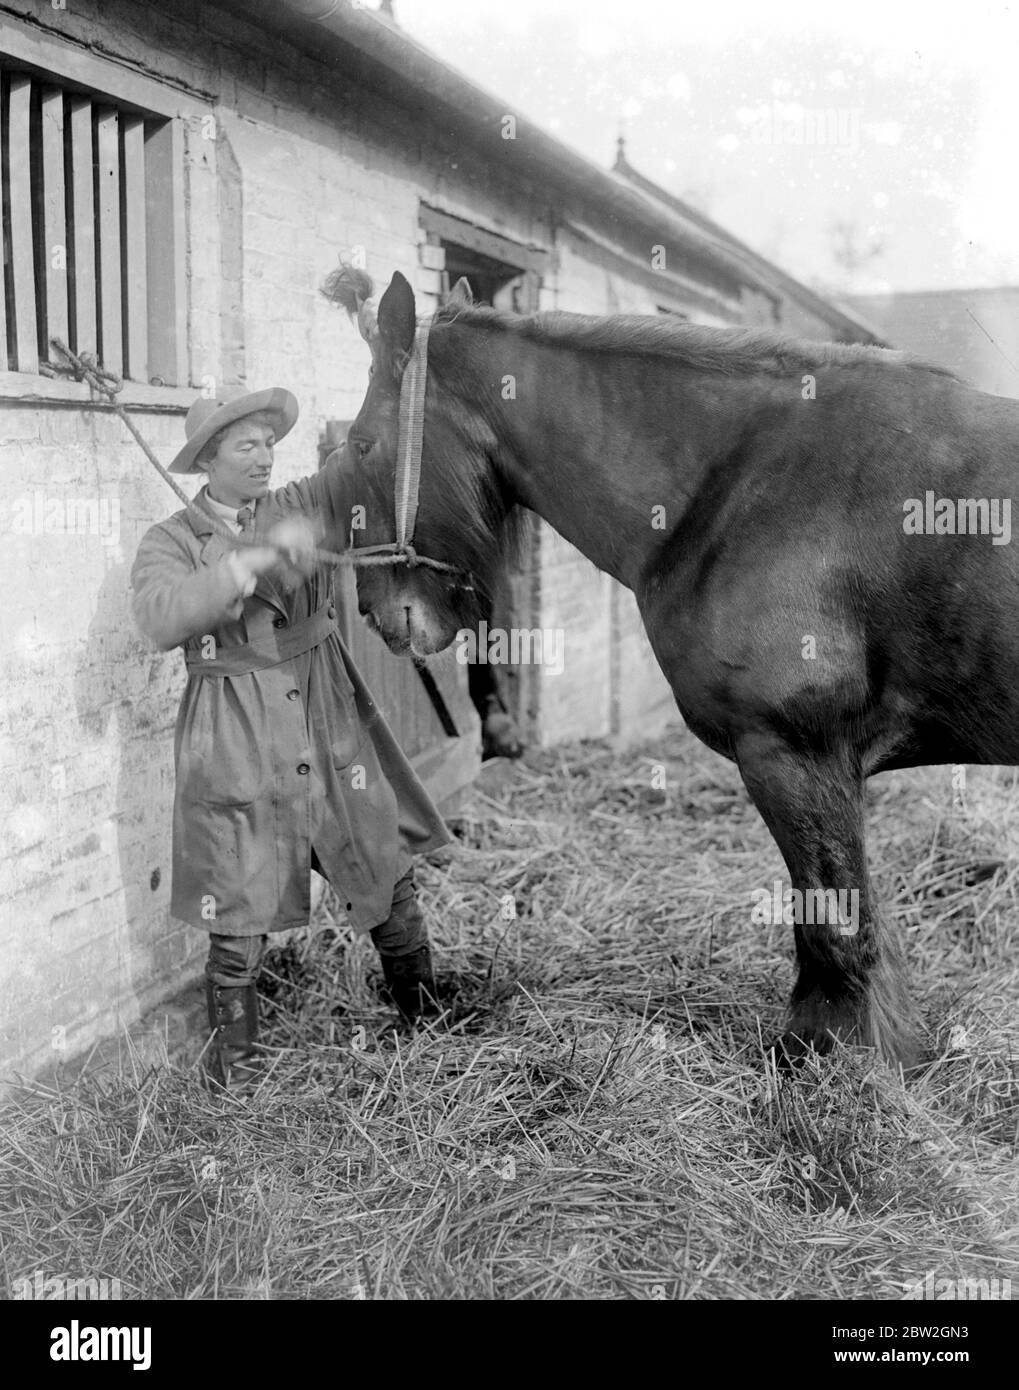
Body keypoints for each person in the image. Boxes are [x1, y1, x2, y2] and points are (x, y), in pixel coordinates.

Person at [130, 386, 450, 1088]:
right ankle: (236, 1076)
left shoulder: (297, 505)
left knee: (384, 873)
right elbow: (159, 619)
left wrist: (390, 363)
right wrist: (241, 564)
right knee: (237, 911)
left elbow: (361, 470)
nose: (264, 456)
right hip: (236, 732)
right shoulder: (171, 541)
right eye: (245, 445)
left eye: (269, 443)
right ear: (207, 460)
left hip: (327, 709)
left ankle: (427, 1026)